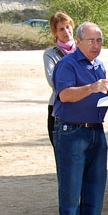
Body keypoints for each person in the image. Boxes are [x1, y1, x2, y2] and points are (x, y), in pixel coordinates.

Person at [52, 22, 108, 215]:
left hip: (96, 129)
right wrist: (91, 87)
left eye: (99, 40)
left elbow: (102, 92)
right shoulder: (67, 64)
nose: (96, 45)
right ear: (78, 42)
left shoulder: (99, 66)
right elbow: (65, 95)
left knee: (96, 180)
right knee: (71, 182)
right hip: (71, 130)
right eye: (91, 41)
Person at [43, 12, 76, 147]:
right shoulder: (50, 54)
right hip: (59, 109)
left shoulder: (84, 49)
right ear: (55, 32)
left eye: (68, 27)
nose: (66, 31)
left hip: (82, 108)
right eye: (61, 29)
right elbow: (53, 81)